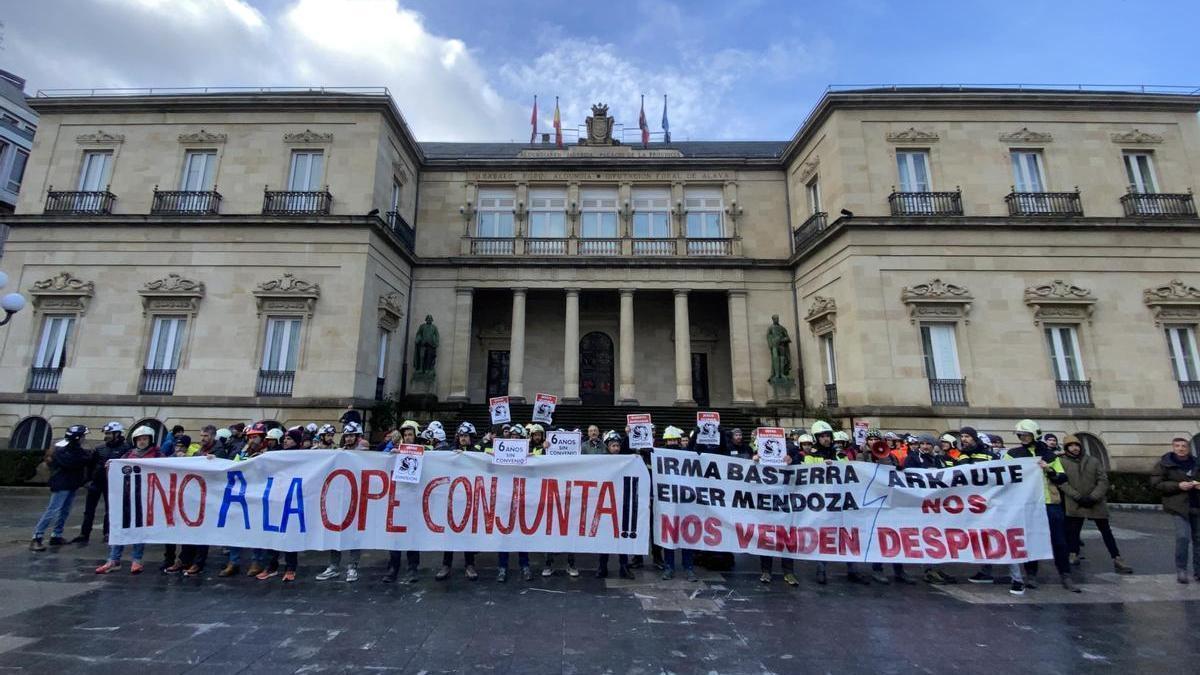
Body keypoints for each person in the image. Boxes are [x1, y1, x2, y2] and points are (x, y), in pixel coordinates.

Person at [1004, 419, 1078, 594]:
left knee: (1059, 541)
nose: (1022, 437)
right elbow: (1005, 477)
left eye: (1026, 434)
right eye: (1020, 434)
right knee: (1031, 540)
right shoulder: (1013, 454)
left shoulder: (1050, 455)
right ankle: (1031, 575)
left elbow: (1062, 478)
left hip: (1050, 503)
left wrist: (1048, 469)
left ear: (1034, 435)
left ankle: (1065, 575)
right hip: (1028, 504)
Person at [1059, 434, 1132, 574]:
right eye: (1071, 446)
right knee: (1073, 531)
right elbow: (1062, 483)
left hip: (1095, 503)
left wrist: (1093, 497)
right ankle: (1072, 553)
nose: (1074, 448)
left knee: (1106, 531)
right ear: (1066, 448)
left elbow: (1103, 480)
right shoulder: (1062, 462)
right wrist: (1077, 496)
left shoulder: (1093, 461)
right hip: (1075, 502)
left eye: (1076, 445)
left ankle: (1117, 557)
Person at [804, 421, 864, 584]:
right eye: (822, 436)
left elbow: (849, 471)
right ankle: (821, 569)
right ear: (817, 438)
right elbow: (806, 473)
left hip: (842, 500)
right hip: (823, 502)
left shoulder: (840, 455)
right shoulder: (812, 456)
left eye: (828, 436)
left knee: (848, 534)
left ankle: (853, 569)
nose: (826, 439)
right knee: (824, 536)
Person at [95, 426, 161, 573]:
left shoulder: (157, 455)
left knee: (139, 528)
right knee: (120, 526)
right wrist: (110, 466)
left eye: (145, 439)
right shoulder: (128, 455)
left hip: (146, 497)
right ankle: (113, 559)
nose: (142, 442)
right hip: (127, 495)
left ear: (150, 440)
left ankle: (136, 560)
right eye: (139, 439)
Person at [903, 434, 957, 584]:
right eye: (922, 443)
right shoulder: (913, 458)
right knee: (927, 535)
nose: (925, 446)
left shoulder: (938, 459)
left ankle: (936, 567)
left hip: (937, 504)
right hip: (921, 505)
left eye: (928, 443)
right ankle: (929, 570)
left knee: (938, 536)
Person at [433, 422, 482, 581]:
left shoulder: (476, 452)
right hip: (452, 499)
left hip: (470, 499)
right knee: (450, 533)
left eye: (466, 436)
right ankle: (446, 565)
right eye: (461, 436)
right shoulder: (449, 452)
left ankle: (470, 565)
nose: (463, 439)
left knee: (468, 534)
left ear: (471, 437)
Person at [861, 439, 915, 585]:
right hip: (874, 501)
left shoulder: (891, 456)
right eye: (870, 440)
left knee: (897, 536)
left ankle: (899, 570)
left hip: (892, 501)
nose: (873, 443)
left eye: (876, 440)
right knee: (878, 537)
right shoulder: (863, 456)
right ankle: (877, 569)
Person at [30, 425, 91, 552]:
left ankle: (56, 535)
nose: (84, 439)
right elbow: (74, 462)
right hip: (61, 484)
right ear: (77, 438)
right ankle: (37, 537)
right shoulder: (64, 450)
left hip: (70, 484)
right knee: (52, 510)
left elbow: (83, 459)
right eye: (83, 436)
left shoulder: (73, 449)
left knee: (65, 510)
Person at [219, 423, 269, 577]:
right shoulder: (243, 451)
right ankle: (233, 562)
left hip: (257, 496)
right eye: (250, 437)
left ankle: (256, 561)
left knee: (255, 530)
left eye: (255, 437)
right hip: (240, 496)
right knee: (235, 528)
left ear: (262, 438)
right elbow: (234, 465)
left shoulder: (267, 453)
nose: (252, 440)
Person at [1149, 437, 1200, 584]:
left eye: (1184, 446)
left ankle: (1198, 571)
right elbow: (1156, 484)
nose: (1181, 448)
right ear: (1173, 447)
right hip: (1178, 507)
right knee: (1183, 537)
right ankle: (1181, 570)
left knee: (1198, 540)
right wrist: (1178, 486)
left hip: (1197, 505)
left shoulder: (1196, 462)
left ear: (1188, 448)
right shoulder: (1165, 464)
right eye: (1177, 446)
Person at [752, 434, 800, 587]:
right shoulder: (758, 458)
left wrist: (792, 461)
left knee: (787, 538)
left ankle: (788, 572)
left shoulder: (789, 455)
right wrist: (754, 462)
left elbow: (800, 470)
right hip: (767, 503)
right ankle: (766, 571)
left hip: (785, 504)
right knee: (766, 537)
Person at [72, 421, 129, 545]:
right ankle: (84, 533)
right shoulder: (99, 448)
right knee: (89, 510)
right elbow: (90, 465)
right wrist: (87, 481)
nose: (107, 435)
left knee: (110, 510)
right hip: (96, 482)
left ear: (118, 434)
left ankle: (108, 533)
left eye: (109, 433)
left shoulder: (126, 448)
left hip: (113, 484)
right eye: (106, 433)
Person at [597, 432, 635, 580]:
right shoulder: (602, 461)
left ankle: (624, 567)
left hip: (622, 502)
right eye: (613, 445)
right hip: (606, 503)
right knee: (605, 536)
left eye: (618, 445)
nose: (616, 448)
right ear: (608, 447)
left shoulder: (627, 460)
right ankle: (602, 566)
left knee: (622, 535)